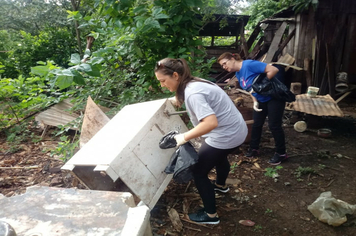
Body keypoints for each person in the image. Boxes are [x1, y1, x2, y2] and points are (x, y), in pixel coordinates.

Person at [155, 58, 247, 225]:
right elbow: (194, 100)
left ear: (175, 75)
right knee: (219, 157)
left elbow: (210, 123)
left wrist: (182, 137)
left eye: (163, 81)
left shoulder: (193, 93)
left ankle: (211, 216)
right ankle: (220, 186)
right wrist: (171, 101)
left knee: (199, 172)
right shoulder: (194, 83)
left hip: (226, 135)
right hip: (237, 130)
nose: (162, 85)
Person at [217, 52, 288, 165]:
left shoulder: (249, 65)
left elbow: (273, 70)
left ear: (232, 58)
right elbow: (250, 89)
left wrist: (261, 85)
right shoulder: (238, 74)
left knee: (274, 125)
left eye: (225, 63)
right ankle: (254, 149)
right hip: (260, 100)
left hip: (274, 97)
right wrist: (255, 101)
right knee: (256, 124)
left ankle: (281, 153)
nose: (224, 67)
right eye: (222, 66)